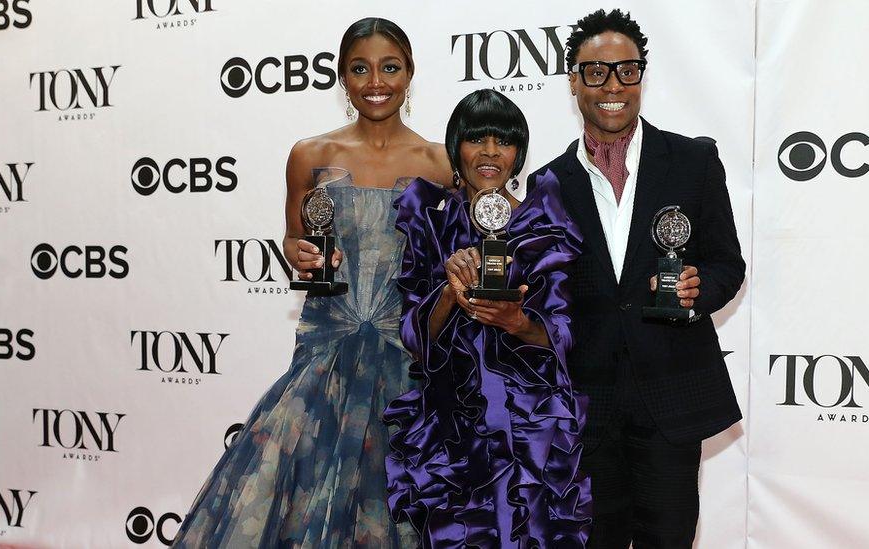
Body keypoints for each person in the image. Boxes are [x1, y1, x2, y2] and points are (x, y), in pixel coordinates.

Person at [172, 17, 451, 548]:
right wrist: (296, 253)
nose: (376, 81)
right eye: (360, 69)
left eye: (390, 67)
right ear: (342, 78)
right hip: (328, 346)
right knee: (305, 487)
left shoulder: (439, 163)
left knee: (402, 497)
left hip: (408, 353)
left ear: (410, 73)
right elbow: (294, 241)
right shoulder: (310, 154)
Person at [526, 9, 746, 548]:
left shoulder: (694, 161)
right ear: (574, 80)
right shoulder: (547, 183)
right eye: (596, 72)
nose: (613, 85)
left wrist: (698, 290)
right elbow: (546, 297)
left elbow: (727, 264)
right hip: (587, 405)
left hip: (671, 395)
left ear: (642, 76)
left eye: (627, 70)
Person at [384, 89, 592, 547]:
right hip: (453, 423)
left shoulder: (543, 224)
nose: (491, 152)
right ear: (457, 147)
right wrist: (449, 292)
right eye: (477, 139)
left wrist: (517, 321)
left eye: (505, 141)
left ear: (519, 153)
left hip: (529, 421)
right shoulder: (432, 222)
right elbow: (413, 335)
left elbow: (560, 334)